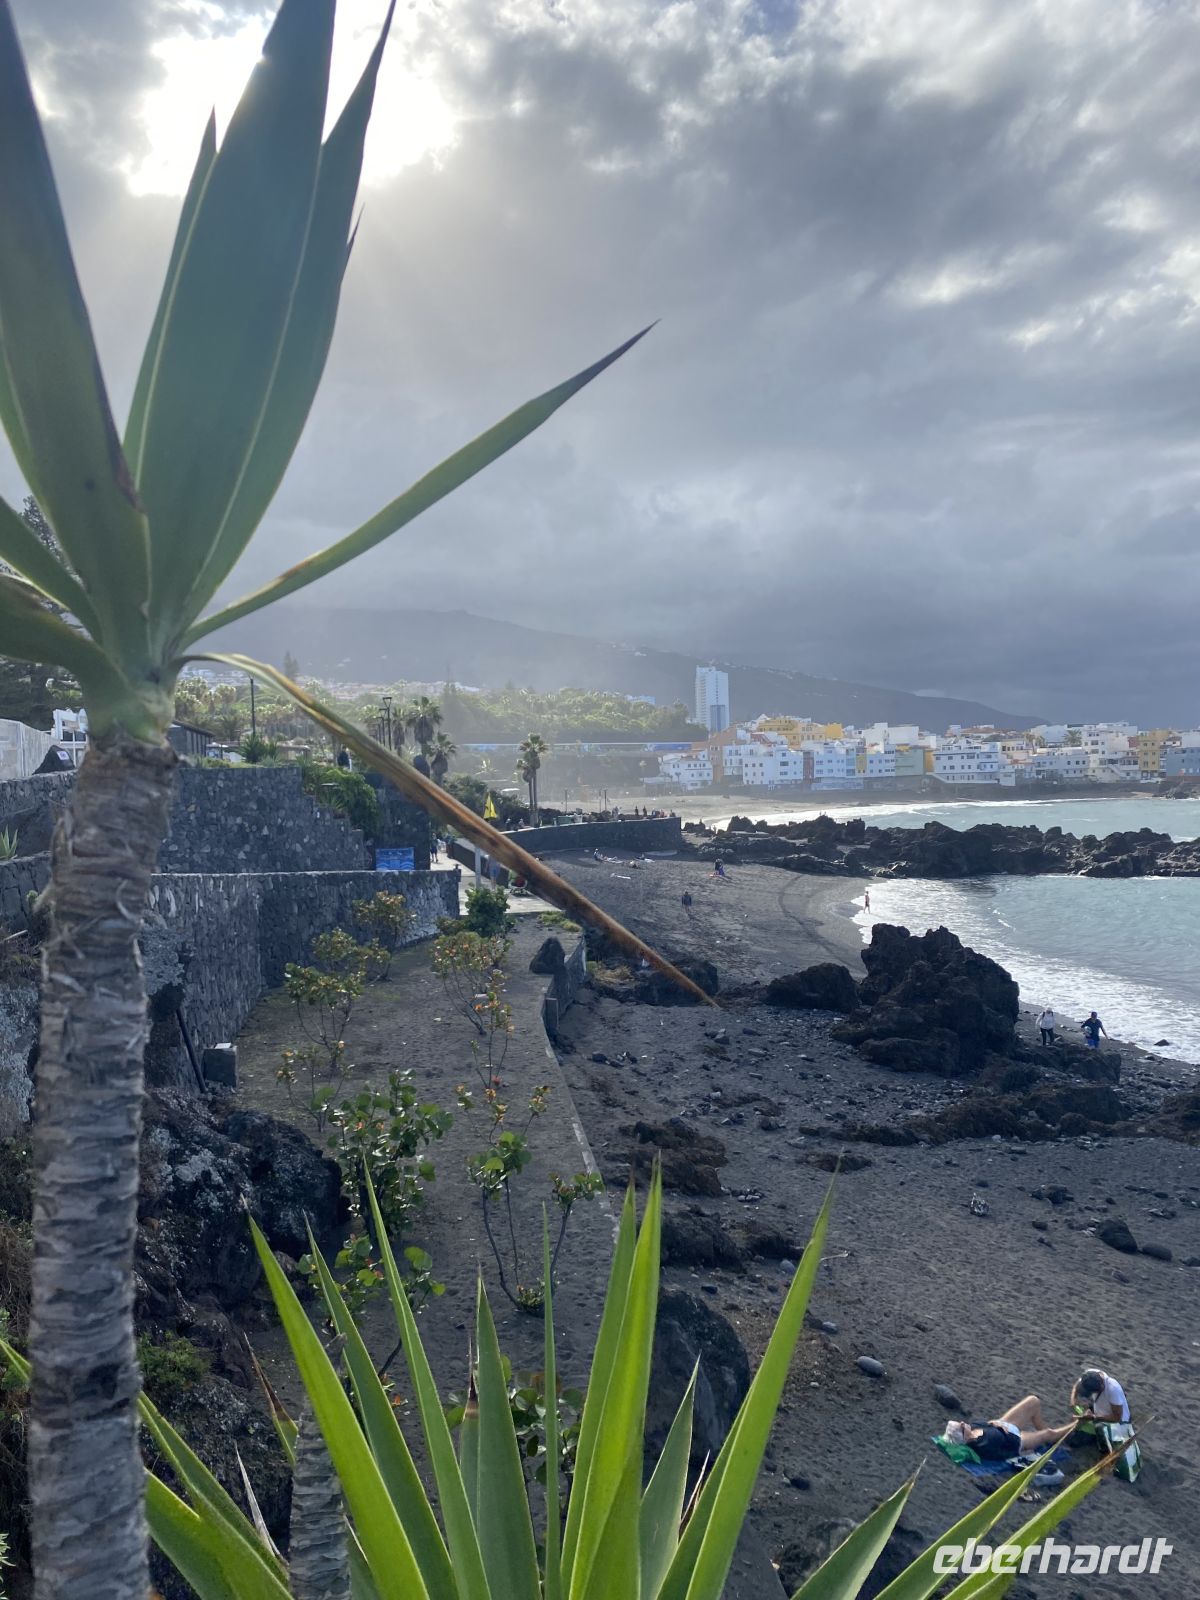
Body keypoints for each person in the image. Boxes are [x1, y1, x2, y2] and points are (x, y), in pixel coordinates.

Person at [945, 1396, 1074, 1461]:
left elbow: (988, 1423)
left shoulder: (972, 1427)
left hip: (1005, 1425)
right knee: (1048, 1433)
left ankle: (1051, 1439)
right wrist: (1019, 1454)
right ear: (964, 1436)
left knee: (1033, 1401)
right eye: (961, 1426)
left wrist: (995, 1424)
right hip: (1017, 1442)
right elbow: (1000, 1455)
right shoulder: (982, 1446)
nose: (963, 1422)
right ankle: (1078, 1423)